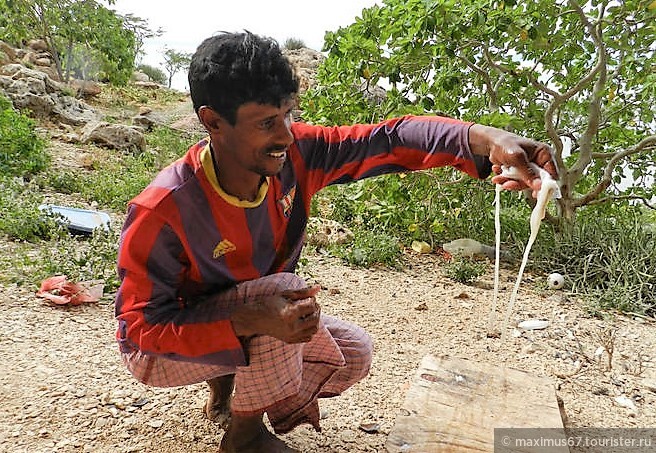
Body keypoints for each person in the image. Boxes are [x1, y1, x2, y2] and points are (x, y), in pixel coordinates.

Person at [114, 31, 558, 452]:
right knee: (279, 297)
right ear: (212, 121)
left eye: (289, 114)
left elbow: (391, 138)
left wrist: (490, 141)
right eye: (267, 122)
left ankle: (229, 385)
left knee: (353, 354)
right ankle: (244, 438)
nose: (286, 134)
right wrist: (246, 321)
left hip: (234, 313)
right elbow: (140, 331)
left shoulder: (296, 155)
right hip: (159, 351)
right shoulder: (164, 211)